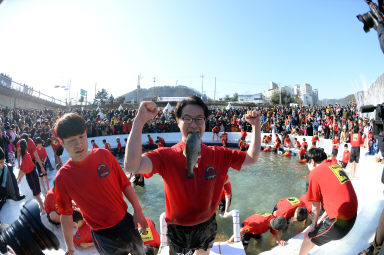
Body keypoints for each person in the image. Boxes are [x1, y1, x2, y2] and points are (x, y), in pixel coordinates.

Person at [124, 96, 261, 255]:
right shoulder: (166, 156)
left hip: (208, 223)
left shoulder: (219, 154)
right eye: (187, 119)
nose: (194, 124)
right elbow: (131, 165)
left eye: (199, 119)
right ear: (178, 121)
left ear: (205, 122)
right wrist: (139, 121)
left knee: (204, 252)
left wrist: (256, 126)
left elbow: (252, 158)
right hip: (178, 227)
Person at [54, 113, 147, 255]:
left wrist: (138, 211)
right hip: (103, 235)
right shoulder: (63, 177)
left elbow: (125, 184)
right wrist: (70, 248)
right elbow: (66, 215)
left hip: (126, 222)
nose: (78, 144)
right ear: (61, 142)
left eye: (81, 137)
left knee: (142, 252)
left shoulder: (104, 155)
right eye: (72, 140)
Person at [299, 148, 358, 255]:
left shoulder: (314, 173)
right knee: (315, 233)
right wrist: (319, 221)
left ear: (312, 162)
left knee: (308, 238)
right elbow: (334, 200)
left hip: (342, 223)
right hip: (352, 215)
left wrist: (312, 227)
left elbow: (315, 207)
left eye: (307, 164)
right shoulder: (334, 165)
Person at [16, 139, 45, 214]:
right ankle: (42, 207)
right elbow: (22, 168)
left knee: (36, 194)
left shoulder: (26, 156)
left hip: (32, 175)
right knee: (36, 194)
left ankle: (43, 207)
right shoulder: (25, 155)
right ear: (26, 146)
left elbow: (23, 171)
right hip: (30, 176)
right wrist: (18, 178)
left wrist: (19, 179)